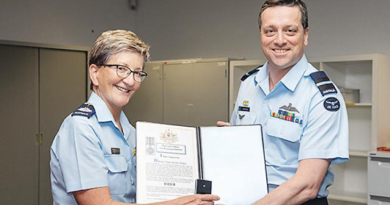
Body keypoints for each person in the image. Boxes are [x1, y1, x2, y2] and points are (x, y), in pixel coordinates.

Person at [50, 30, 220, 205]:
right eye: (121, 69)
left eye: (137, 73)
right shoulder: (81, 128)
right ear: (95, 73)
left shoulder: (130, 132)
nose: (131, 81)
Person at [218, 0, 349, 204]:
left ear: (305, 35)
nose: (279, 40)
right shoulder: (248, 83)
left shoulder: (322, 97)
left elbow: (308, 185)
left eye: (290, 30)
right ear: (261, 35)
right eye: (270, 31)